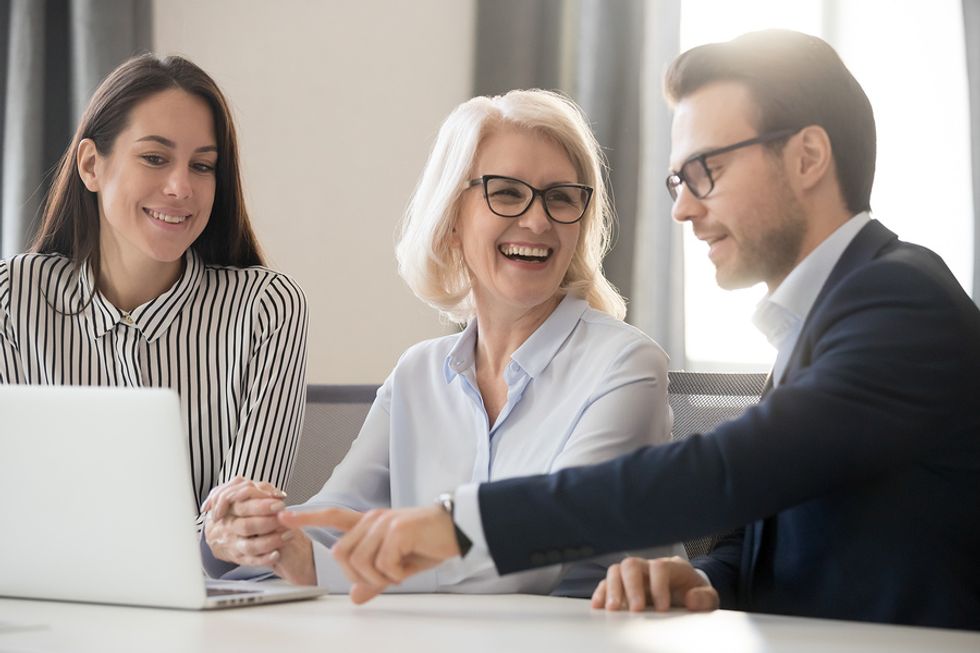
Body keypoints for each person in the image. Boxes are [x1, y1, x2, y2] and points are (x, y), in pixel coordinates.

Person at [280, 29, 980, 630]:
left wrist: (458, 523)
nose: (684, 211)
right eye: (679, 181)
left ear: (806, 158)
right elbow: (758, 529)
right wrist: (706, 582)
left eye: (705, 170)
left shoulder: (899, 301)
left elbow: (730, 470)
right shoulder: (820, 319)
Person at [201, 89, 679, 596]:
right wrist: (250, 536)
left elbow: (537, 549)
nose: (538, 221)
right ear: (451, 218)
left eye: (561, 196)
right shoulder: (417, 373)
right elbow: (337, 519)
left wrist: (319, 568)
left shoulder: (626, 366)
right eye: (508, 192)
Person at [0, 54, 309, 520]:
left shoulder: (266, 309)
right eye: (154, 158)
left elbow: (237, 529)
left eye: (203, 166)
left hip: (203, 589)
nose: (181, 187)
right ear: (91, 165)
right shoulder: (11, 298)